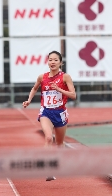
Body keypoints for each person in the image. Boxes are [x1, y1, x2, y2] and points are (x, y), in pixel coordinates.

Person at [22, 51, 76, 181]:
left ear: (60, 62)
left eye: (55, 60)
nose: (52, 62)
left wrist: (59, 89)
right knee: (48, 138)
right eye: (50, 60)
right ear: (47, 62)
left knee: (59, 143)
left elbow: (73, 95)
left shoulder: (65, 77)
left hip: (60, 113)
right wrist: (29, 100)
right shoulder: (42, 77)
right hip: (46, 112)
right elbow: (35, 88)